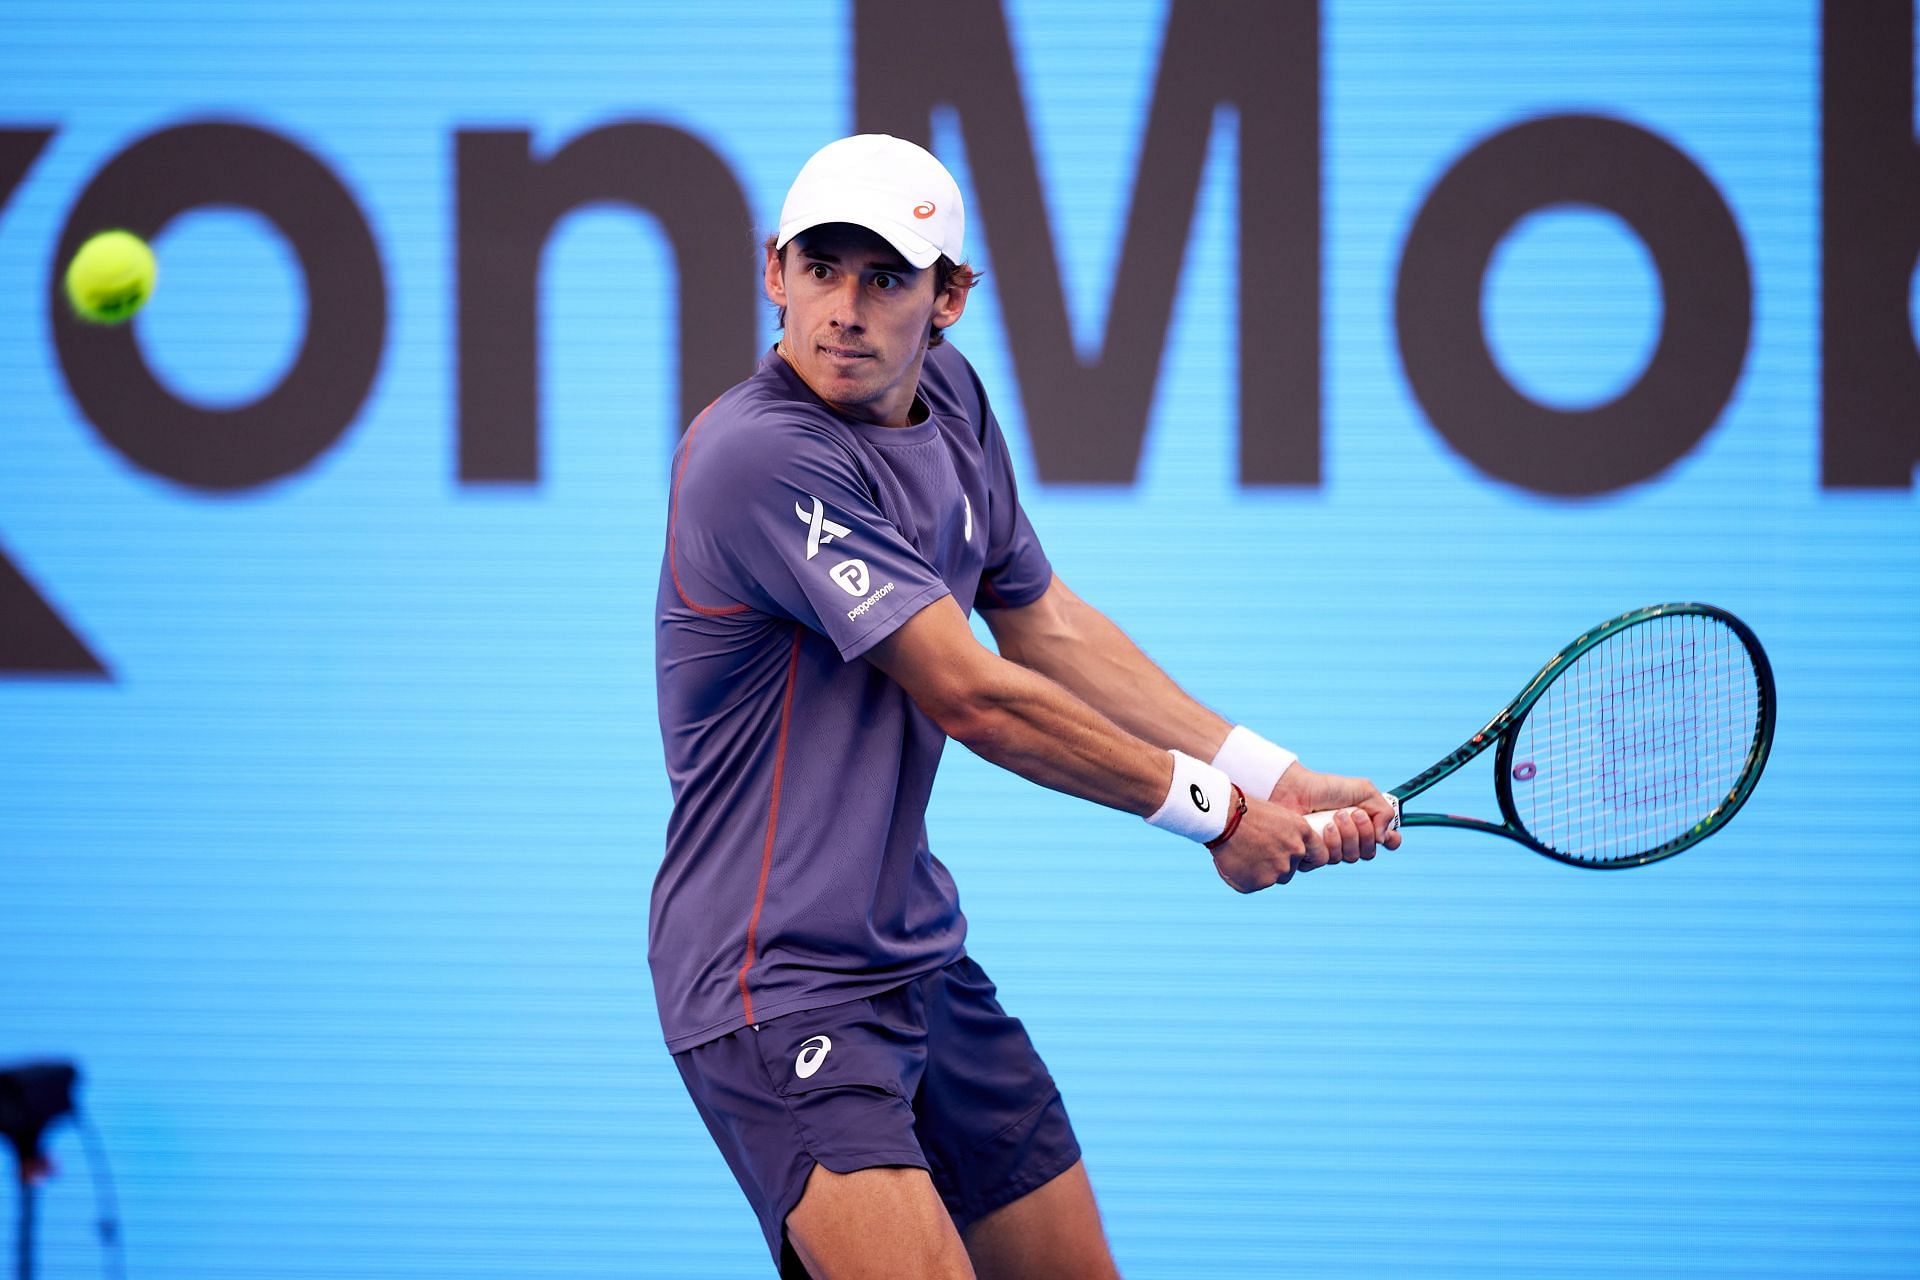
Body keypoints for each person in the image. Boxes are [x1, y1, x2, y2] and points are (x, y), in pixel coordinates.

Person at [653, 133, 1401, 1279]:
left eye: (887, 277)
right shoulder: (757, 457)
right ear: (775, 271)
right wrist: (1215, 813)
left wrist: (1268, 773)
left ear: (950, 296)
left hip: (917, 952)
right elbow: (978, 695)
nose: (844, 309)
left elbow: (1041, 622)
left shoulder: (948, 399)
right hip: (777, 980)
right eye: (821, 268)